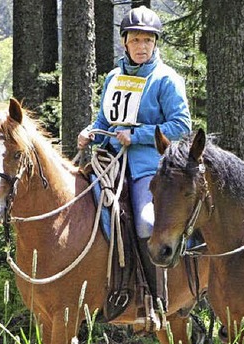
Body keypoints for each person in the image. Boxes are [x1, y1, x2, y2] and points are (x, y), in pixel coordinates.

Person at [77, 6, 191, 315]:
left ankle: (157, 298)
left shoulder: (166, 80)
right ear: (125, 43)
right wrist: (91, 132)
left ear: (155, 44)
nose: (141, 47)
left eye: (147, 41)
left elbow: (181, 126)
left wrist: (136, 135)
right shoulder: (114, 77)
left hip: (149, 168)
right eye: (135, 40)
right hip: (111, 164)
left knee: (145, 222)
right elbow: (105, 121)